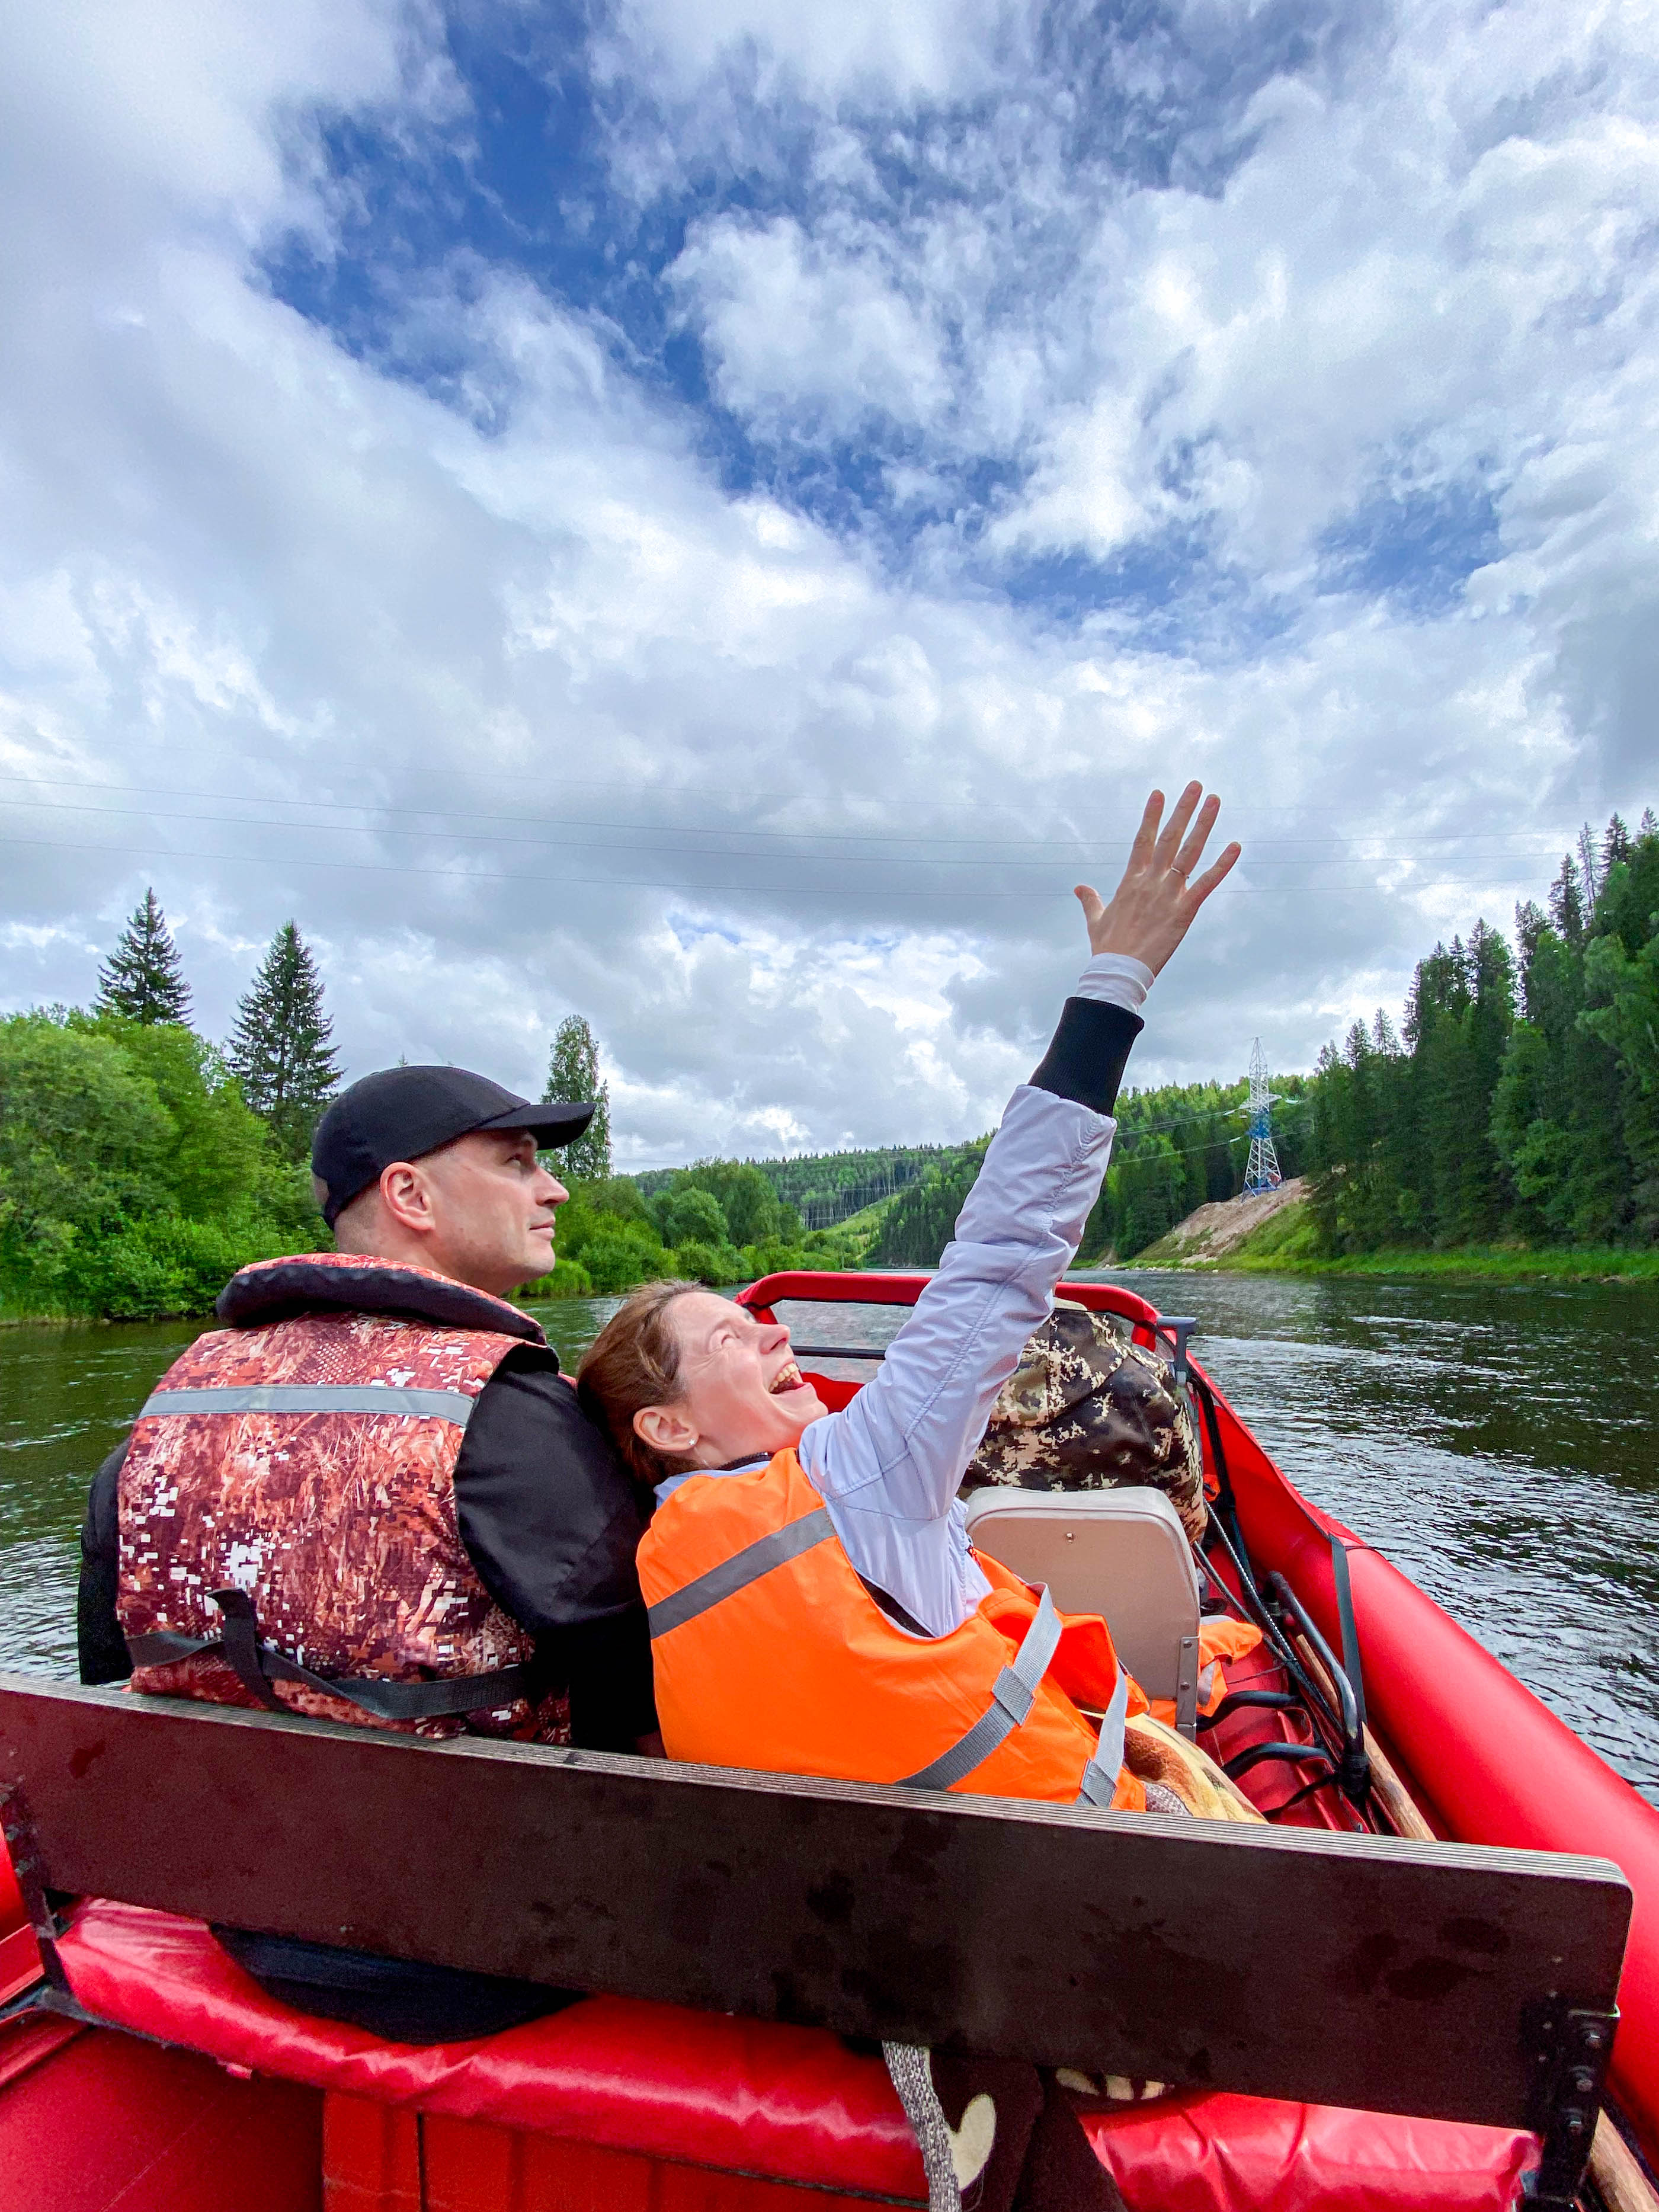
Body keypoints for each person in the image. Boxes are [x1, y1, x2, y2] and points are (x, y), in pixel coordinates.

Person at [577, 783, 1241, 1816]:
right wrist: (1119, 981)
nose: (774, 1326)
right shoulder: (864, 1472)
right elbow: (1001, 1253)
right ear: (665, 1423)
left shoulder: (650, 1562)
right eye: (730, 1335)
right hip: (1084, 1877)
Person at [76, 1063, 659, 2038]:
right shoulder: (503, 1410)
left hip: (252, 1922)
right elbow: (645, 1671)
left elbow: (112, 1669)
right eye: (517, 1162)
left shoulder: (175, 1397)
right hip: (487, 1948)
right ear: (410, 1195)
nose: (553, 1188)